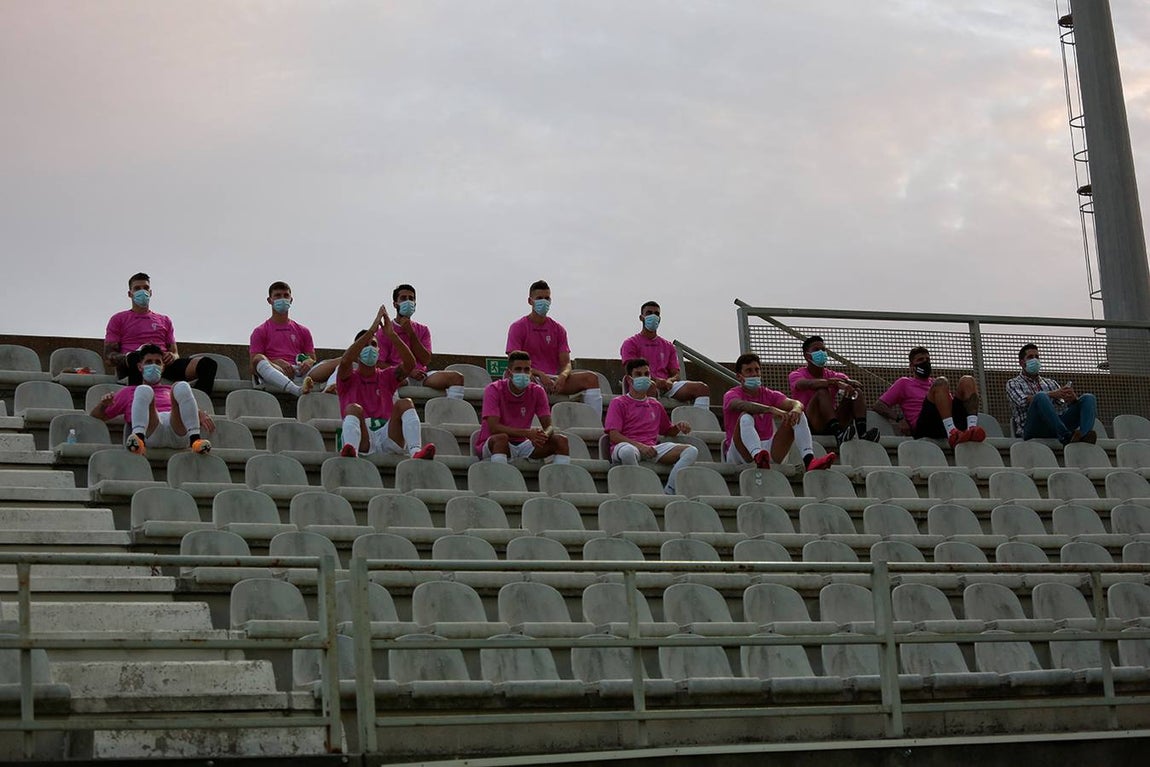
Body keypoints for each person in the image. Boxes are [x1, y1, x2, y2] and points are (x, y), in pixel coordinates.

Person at [336, 305, 435, 460]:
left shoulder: (386, 376)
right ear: (357, 352)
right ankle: (351, 451)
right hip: (362, 434)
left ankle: (415, 451)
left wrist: (392, 335)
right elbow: (345, 361)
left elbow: (409, 364)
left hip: (386, 434)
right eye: (365, 345)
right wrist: (371, 331)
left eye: (374, 344)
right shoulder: (347, 378)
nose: (370, 348)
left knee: (405, 403)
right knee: (353, 409)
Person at [103, 272, 218, 394]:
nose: (142, 291)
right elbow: (108, 357)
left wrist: (172, 356)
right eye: (137, 288)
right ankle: (134, 401)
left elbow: (175, 352)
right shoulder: (118, 319)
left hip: (161, 363)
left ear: (151, 292)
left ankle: (198, 404)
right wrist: (129, 356)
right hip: (134, 362)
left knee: (208, 364)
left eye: (146, 288)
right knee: (136, 357)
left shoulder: (164, 320)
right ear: (130, 294)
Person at [89, 344, 214, 455]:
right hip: (151, 432)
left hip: (178, 433)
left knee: (181, 385)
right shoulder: (129, 392)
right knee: (144, 390)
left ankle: (195, 440)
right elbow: (96, 415)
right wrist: (104, 404)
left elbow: (185, 406)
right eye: (149, 362)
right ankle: (138, 439)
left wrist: (199, 414)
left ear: (163, 367)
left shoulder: (171, 390)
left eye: (158, 362)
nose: (153, 366)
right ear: (140, 367)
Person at [506, 280, 604, 418]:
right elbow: (513, 360)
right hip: (531, 376)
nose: (544, 302)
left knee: (591, 378)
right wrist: (539, 374)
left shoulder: (558, 329)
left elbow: (566, 363)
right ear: (530, 301)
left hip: (554, 380)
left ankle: (595, 423)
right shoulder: (518, 327)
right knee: (523, 379)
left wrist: (563, 377)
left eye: (547, 298)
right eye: (539, 298)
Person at [723, 353, 836, 470]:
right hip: (739, 452)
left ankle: (809, 460)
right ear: (739, 376)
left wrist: (796, 409)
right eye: (749, 371)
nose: (754, 374)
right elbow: (740, 405)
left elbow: (796, 403)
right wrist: (770, 409)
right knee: (746, 416)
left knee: (798, 415)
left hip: (768, 449)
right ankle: (758, 457)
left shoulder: (769, 394)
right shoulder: (731, 394)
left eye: (757, 370)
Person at [605, 358, 698, 494]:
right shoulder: (618, 403)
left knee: (691, 451)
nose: (643, 378)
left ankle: (670, 490)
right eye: (638, 374)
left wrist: (678, 427)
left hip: (652, 448)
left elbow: (667, 430)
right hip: (627, 447)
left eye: (646, 374)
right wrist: (640, 447)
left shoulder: (655, 405)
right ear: (629, 379)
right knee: (627, 452)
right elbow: (613, 435)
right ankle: (640, 490)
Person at [873, 346, 985, 446]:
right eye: (920, 360)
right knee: (941, 382)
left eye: (927, 360)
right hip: (925, 426)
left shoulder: (935, 383)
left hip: (944, 421)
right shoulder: (904, 383)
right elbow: (879, 405)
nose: (925, 362)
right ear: (912, 366)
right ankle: (952, 433)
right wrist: (899, 419)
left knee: (967, 380)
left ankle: (972, 429)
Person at [473, 351, 570, 463]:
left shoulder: (537, 391)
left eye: (527, 370)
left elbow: (549, 427)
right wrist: (527, 433)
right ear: (509, 373)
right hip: (495, 443)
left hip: (524, 444)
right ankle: (499, 478)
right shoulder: (493, 389)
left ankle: (561, 479)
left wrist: (542, 436)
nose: (523, 373)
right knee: (501, 439)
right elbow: (494, 428)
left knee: (561, 441)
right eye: (518, 369)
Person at [376, 283, 466, 399]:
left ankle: (454, 413)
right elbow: (379, 364)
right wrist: (408, 371)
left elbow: (425, 359)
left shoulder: (422, 330)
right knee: (388, 379)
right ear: (395, 304)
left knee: (456, 378)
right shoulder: (384, 331)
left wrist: (411, 333)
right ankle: (392, 414)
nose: (408, 302)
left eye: (411, 299)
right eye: (403, 298)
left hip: (422, 376)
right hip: (399, 375)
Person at [788, 335, 879, 445]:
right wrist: (834, 383)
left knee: (856, 392)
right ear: (807, 356)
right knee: (822, 391)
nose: (821, 352)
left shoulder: (831, 374)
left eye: (823, 350)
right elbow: (807, 384)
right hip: (811, 423)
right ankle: (838, 434)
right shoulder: (796, 374)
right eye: (816, 350)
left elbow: (855, 383)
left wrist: (848, 384)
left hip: (832, 420)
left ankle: (862, 433)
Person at [619, 300, 710, 409]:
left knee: (702, 388)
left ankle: (700, 423)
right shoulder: (630, 343)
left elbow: (676, 373)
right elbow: (630, 371)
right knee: (650, 386)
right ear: (641, 317)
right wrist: (655, 380)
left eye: (656, 314)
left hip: (666, 386)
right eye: (649, 313)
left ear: (660, 319)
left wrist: (669, 381)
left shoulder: (668, 346)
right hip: (643, 384)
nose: (653, 316)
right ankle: (649, 422)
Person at [1006, 343, 1097, 443]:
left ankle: (1085, 435)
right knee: (1040, 396)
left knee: (1088, 398)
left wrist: (1073, 399)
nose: (1035, 360)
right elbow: (1022, 402)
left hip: (1054, 425)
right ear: (1022, 363)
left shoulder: (1051, 383)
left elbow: (1063, 407)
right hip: (1033, 428)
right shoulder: (1013, 383)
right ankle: (1066, 436)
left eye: (1037, 357)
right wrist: (1052, 394)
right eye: (1030, 357)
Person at [249, 281, 322, 397]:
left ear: (291, 300)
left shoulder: (303, 330)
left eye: (286, 295)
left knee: (342, 361)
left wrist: (308, 362)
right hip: (277, 371)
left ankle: (331, 388)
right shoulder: (260, 331)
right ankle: (296, 390)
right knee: (259, 358)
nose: (282, 299)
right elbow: (254, 365)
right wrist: (275, 362)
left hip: (301, 371)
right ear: (270, 300)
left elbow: (312, 358)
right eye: (277, 295)